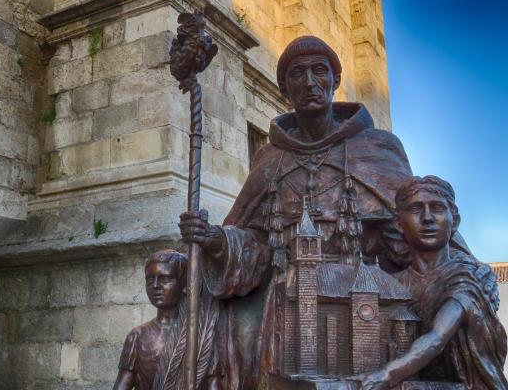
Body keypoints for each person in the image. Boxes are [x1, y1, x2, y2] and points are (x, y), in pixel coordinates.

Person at [178, 36, 474, 389]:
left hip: (362, 295)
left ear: (335, 80)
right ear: (285, 88)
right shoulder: (269, 160)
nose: (310, 82)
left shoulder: (377, 148)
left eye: (320, 72)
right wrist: (216, 240)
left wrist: (453, 270)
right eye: (297, 74)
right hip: (286, 298)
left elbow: (413, 230)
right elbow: (255, 244)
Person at [356, 176, 506, 390]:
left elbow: (437, 338)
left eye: (437, 208)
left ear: (454, 220)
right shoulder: (390, 285)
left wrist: (387, 375)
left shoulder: (465, 279)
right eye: (416, 209)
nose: (427, 218)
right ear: (399, 223)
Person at [113, 250, 221, 390]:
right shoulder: (137, 337)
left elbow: (214, 385)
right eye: (150, 280)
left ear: (184, 285)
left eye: (164, 279)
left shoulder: (202, 334)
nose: (156, 286)